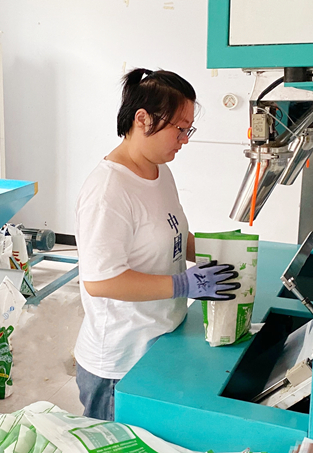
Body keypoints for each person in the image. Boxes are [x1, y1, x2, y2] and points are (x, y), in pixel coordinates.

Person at [74, 68, 240, 421]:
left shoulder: (159, 171)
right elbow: (101, 281)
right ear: (142, 119)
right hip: (119, 361)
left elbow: (174, 236)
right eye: (180, 129)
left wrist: (225, 251)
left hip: (159, 339)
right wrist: (183, 284)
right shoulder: (108, 191)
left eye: (188, 130)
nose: (185, 140)